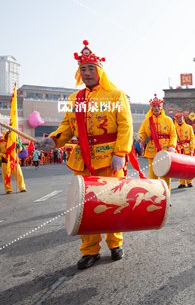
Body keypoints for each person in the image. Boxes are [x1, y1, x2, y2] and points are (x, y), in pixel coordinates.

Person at [37, 40, 133, 270]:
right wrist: (53, 140)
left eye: (91, 68)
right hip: (83, 159)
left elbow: (126, 126)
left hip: (110, 158)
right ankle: (90, 250)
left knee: (111, 202)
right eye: (83, 69)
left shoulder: (115, 95)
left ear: (100, 71)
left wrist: (120, 152)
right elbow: (66, 127)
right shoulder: (74, 100)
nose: (87, 73)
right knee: (85, 206)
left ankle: (115, 243)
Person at [138, 94, 177, 191]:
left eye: (158, 106)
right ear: (151, 108)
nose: (156, 108)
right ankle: (155, 197)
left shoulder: (168, 120)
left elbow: (173, 134)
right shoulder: (147, 121)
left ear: (161, 107)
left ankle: (167, 195)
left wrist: (172, 146)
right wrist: (139, 138)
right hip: (152, 151)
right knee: (153, 175)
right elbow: (142, 133)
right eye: (154, 106)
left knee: (165, 175)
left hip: (165, 150)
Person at [174, 112, 195, 188]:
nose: (179, 120)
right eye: (177, 118)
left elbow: (192, 138)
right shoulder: (174, 128)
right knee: (180, 167)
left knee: (188, 166)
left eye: (180, 118)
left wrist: (192, 148)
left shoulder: (189, 127)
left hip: (187, 149)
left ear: (182, 118)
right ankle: (182, 182)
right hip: (179, 149)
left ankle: (189, 181)